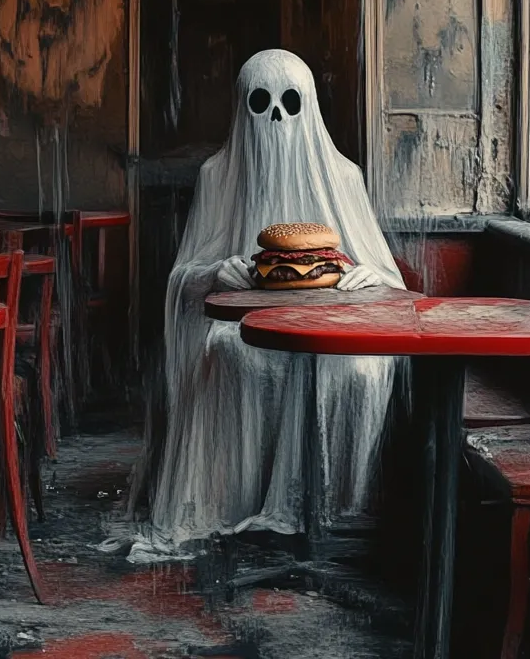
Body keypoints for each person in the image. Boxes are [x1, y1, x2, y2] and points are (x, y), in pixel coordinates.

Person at [102, 48, 405, 562]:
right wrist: (212, 273)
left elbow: (388, 277)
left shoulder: (344, 178)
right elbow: (180, 280)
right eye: (261, 103)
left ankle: (336, 508)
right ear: (241, 107)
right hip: (242, 326)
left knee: (358, 368)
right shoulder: (217, 178)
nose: (278, 119)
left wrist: (372, 273)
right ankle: (234, 502)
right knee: (232, 354)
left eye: (291, 103)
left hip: (332, 326)